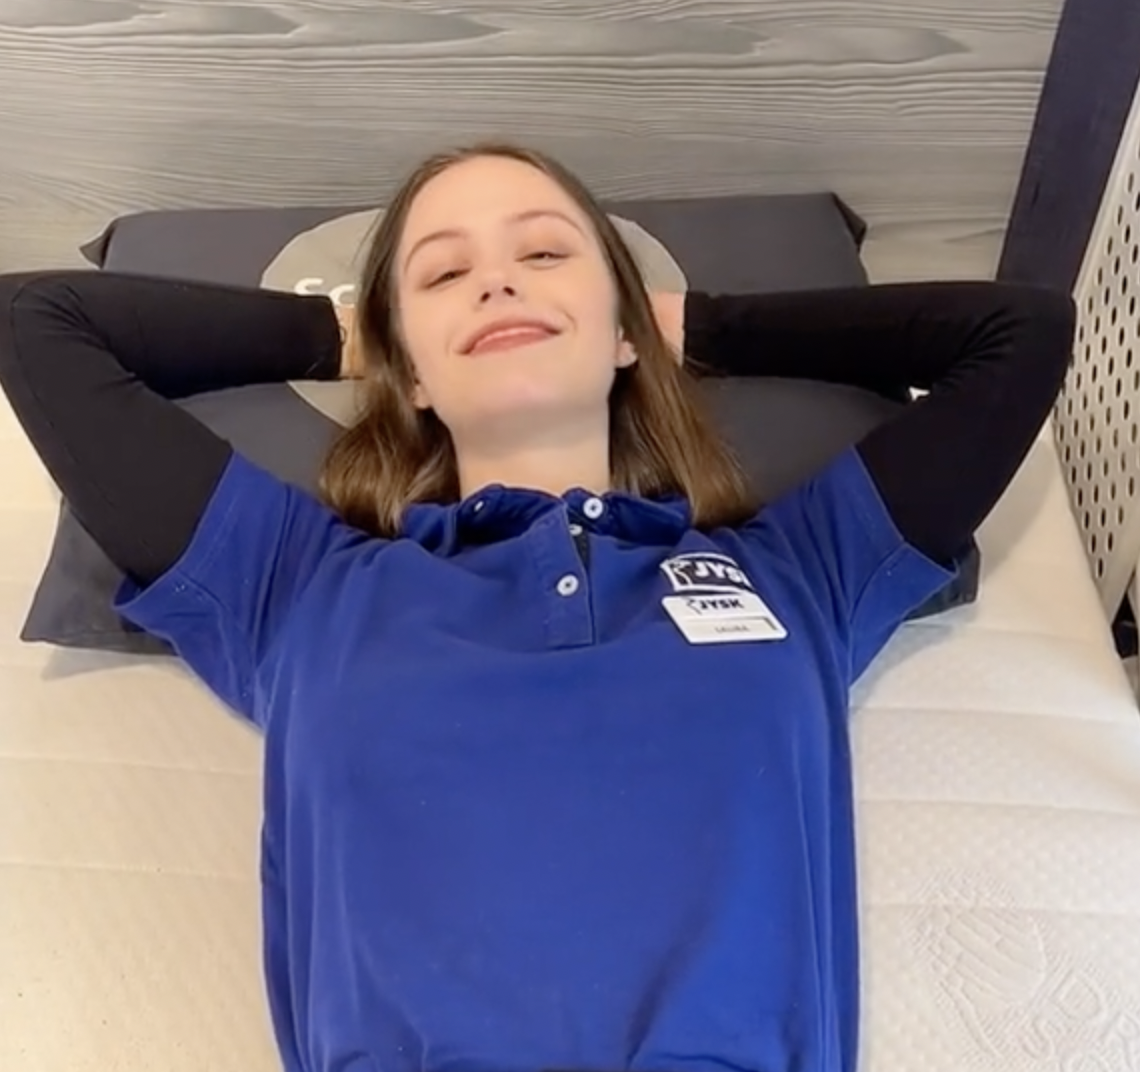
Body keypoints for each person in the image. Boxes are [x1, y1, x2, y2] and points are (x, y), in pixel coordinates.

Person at [0, 141, 1075, 1072]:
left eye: (548, 255)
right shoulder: (295, 583)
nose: (498, 282)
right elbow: (38, 324)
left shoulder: (797, 567)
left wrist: (691, 327)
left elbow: (1018, 334)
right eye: (444, 273)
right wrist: (346, 340)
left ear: (626, 332)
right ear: (407, 371)